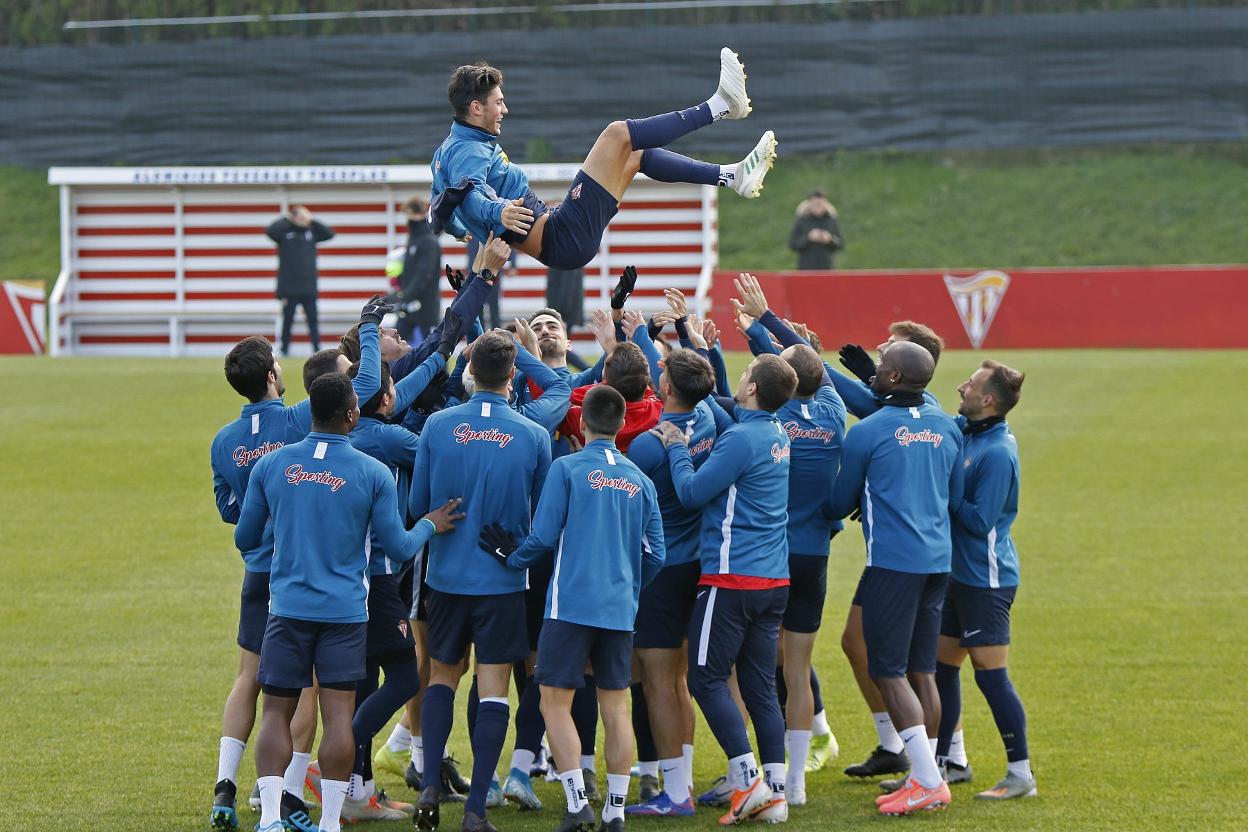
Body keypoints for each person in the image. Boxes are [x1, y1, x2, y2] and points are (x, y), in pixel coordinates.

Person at [234, 372, 464, 832]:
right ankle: (331, 822)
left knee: (276, 710)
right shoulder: (371, 472)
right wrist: (430, 525)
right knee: (338, 715)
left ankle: (272, 820)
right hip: (344, 613)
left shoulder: (272, 467)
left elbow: (245, 537)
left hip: (287, 609)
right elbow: (398, 547)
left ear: (309, 411)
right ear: (352, 413)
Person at [207, 299, 387, 832]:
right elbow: (367, 383)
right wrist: (371, 329)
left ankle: (225, 786)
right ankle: (289, 795)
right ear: (271, 376)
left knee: (250, 679)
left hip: (257, 569)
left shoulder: (223, 441)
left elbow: (228, 511)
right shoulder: (295, 419)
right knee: (311, 690)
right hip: (301, 569)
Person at [481, 384, 666, 832]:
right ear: (622, 425)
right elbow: (657, 553)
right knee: (616, 707)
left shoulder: (567, 468)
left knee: (553, 703)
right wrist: (628, 584)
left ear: (582, 425)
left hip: (569, 607)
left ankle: (578, 803)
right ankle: (616, 812)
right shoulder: (640, 480)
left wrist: (512, 557)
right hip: (619, 608)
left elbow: (542, 538)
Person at [428, 51, 776, 271]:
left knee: (636, 154)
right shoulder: (469, 151)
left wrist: (461, 228)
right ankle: (719, 107)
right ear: (477, 108)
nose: (504, 110)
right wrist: (496, 212)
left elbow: (440, 205)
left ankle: (731, 176)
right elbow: (472, 194)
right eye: (498, 103)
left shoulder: (446, 153)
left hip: (560, 232)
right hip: (562, 236)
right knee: (617, 135)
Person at [408, 330, 553, 832]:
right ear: (513, 375)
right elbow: (541, 519)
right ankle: (474, 813)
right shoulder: (533, 435)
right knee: (494, 690)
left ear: (470, 373)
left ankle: (429, 783)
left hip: (446, 575)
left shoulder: (437, 427)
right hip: (502, 582)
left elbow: (416, 507)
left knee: (444, 677)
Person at [650, 353, 799, 825]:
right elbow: (712, 398)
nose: (741, 379)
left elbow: (693, 492)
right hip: (774, 578)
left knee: (704, 679)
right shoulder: (775, 430)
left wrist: (674, 444)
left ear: (753, 389)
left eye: (747, 374)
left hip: (732, 580)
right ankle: (775, 794)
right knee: (759, 688)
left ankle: (749, 780)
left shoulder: (738, 438)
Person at [826, 341, 964, 816]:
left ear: (891, 379)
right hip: (937, 561)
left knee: (887, 670)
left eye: (881, 367)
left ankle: (926, 781)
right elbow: (953, 493)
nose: (876, 370)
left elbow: (839, 501)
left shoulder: (869, 431)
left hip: (893, 563)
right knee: (922, 670)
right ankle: (928, 771)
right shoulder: (947, 426)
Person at [730, 274, 848, 803]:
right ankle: (795, 783)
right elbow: (806, 372)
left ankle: (756, 773)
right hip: (816, 555)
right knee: (797, 670)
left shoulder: (768, 417)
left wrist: (756, 329)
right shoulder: (832, 412)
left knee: (753, 667)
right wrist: (767, 322)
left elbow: (780, 376)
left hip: (772, 556)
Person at [624, 349, 727, 818]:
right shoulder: (708, 416)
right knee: (680, 679)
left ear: (666, 389)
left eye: (662, 370)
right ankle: (679, 781)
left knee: (659, 683)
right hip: (700, 564)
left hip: (661, 572)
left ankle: (676, 794)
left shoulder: (649, 446)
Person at [934, 360, 1036, 801]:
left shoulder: (996, 452)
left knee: (991, 677)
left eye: (970, 384)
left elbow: (979, 521)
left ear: (988, 399)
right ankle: (949, 762)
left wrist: (945, 490)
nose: (962, 387)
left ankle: (1020, 775)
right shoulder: (969, 430)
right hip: (957, 575)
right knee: (940, 670)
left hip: (986, 580)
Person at [266, 205, 334, 355]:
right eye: (301, 217)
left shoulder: (311, 232)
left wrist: (312, 220)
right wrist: (288, 219)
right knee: (287, 321)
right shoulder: (284, 232)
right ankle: (284, 349)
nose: (304, 220)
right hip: (289, 288)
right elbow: (270, 231)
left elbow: (329, 234)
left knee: (313, 321)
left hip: (308, 287)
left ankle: (317, 349)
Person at [396, 196, 443, 343]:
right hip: (409, 306)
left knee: (431, 350)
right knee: (394, 346)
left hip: (425, 307)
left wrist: (405, 296)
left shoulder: (428, 241)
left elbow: (424, 275)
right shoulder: (414, 238)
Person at [787, 189, 842, 270]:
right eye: (815, 204)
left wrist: (830, 239)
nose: (818, 207)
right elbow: (793, 244)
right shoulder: (802, 221)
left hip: (827, 268)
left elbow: (840, 243)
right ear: (809, 204)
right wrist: (808, 238)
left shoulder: (831, 220)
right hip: (806, 268)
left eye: (820, 204)